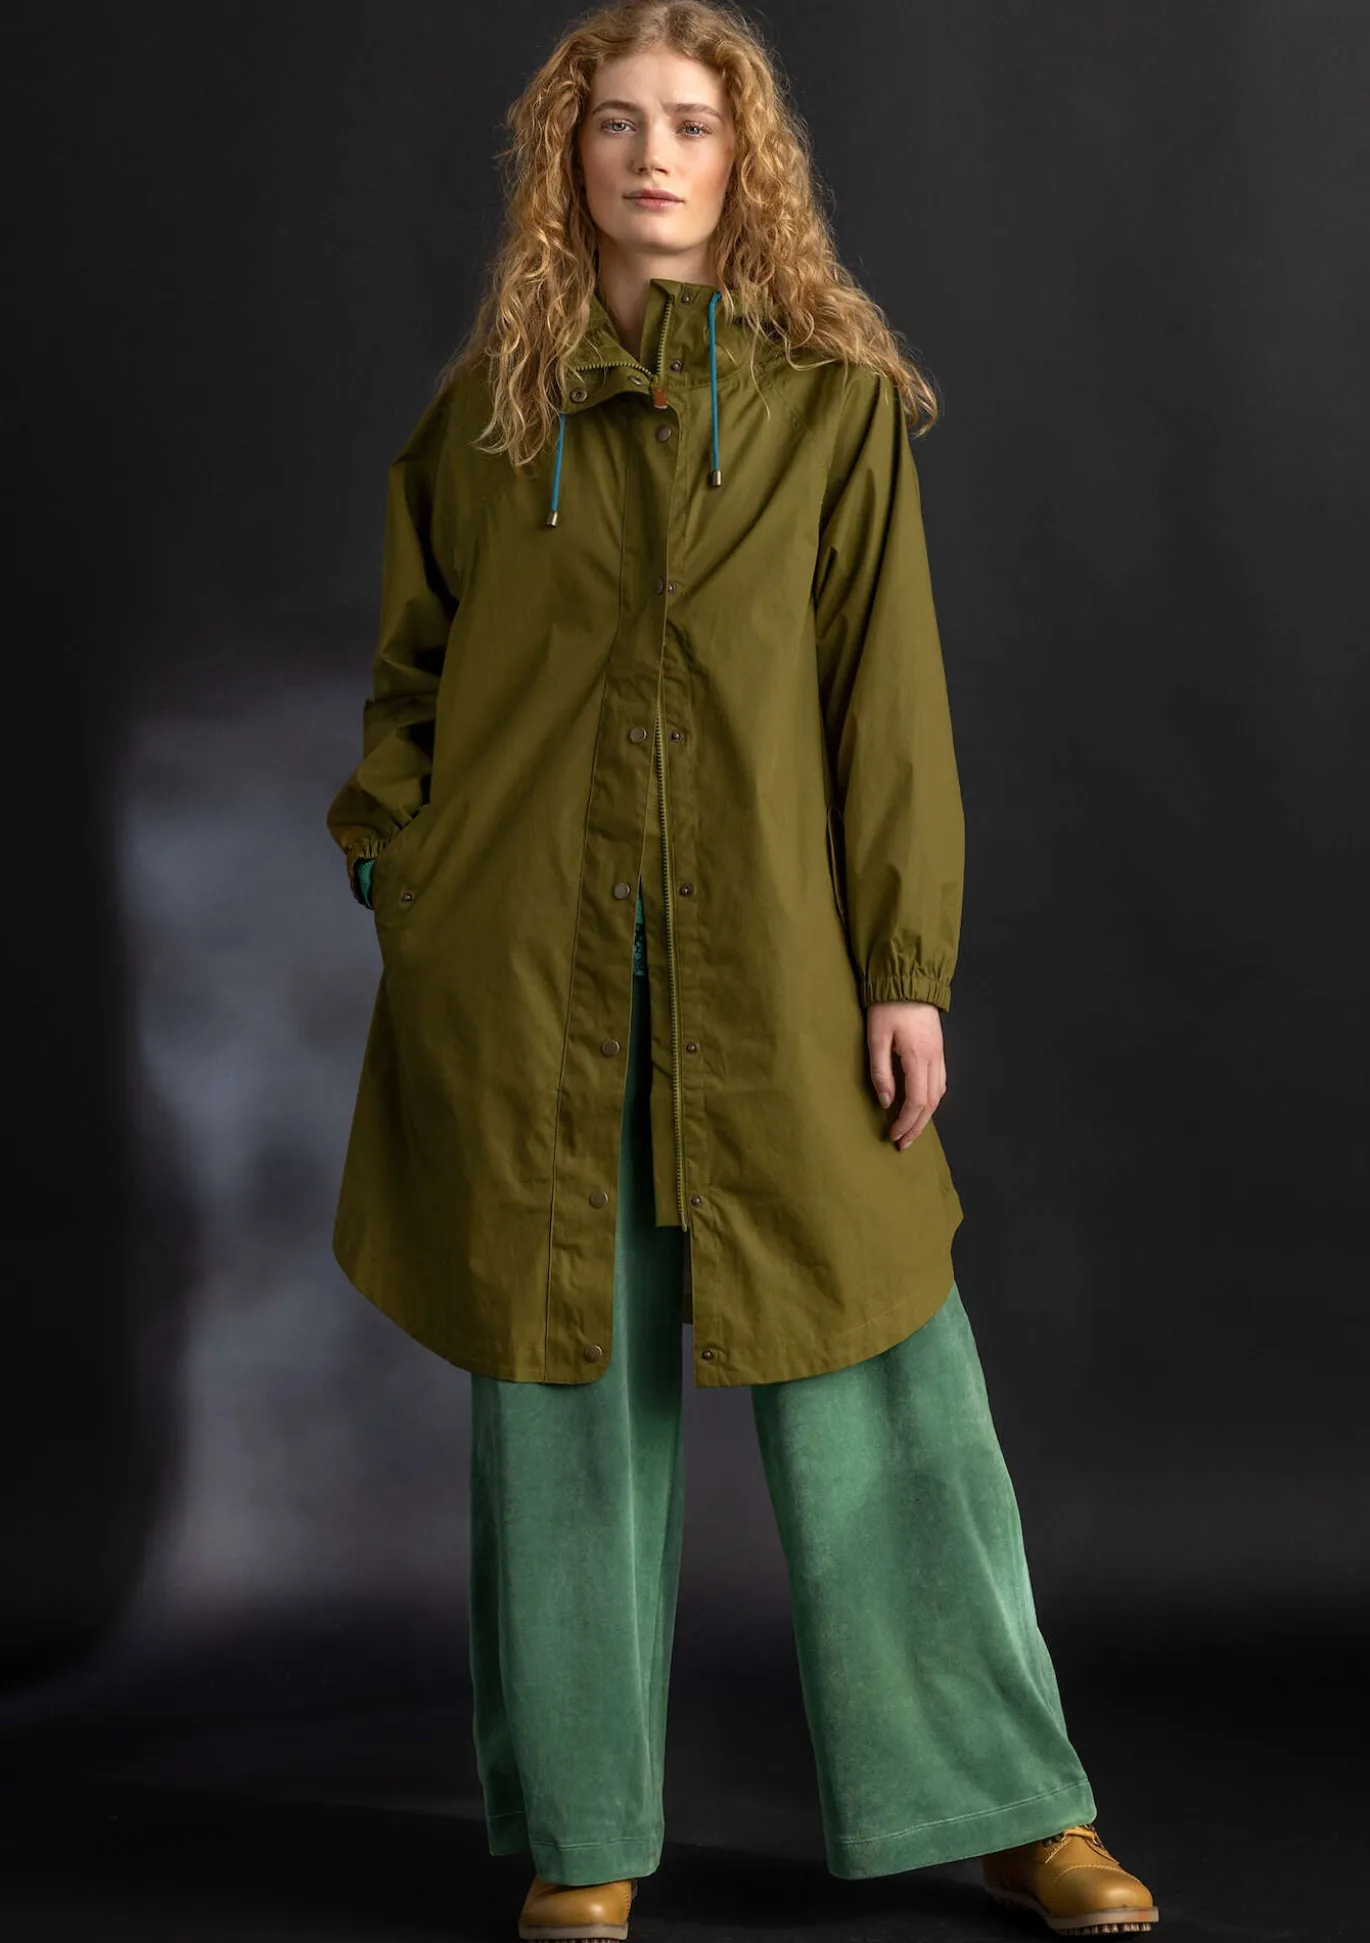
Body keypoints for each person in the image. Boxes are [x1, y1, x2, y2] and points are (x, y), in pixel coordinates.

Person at [326, 2, 1159, 1936]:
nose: (651, 156)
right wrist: (397, 864)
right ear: (568, 157)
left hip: (778, 966)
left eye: (690, 124)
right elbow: (409, 678)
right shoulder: (491, 422)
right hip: (529, 976)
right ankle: (584, 1831)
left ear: (740, 159)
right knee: (559, 1392)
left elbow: (887, 701)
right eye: (615, 122)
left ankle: (1013, 1803)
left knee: (883, 1368)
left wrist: (903, 967)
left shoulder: (828, 409)